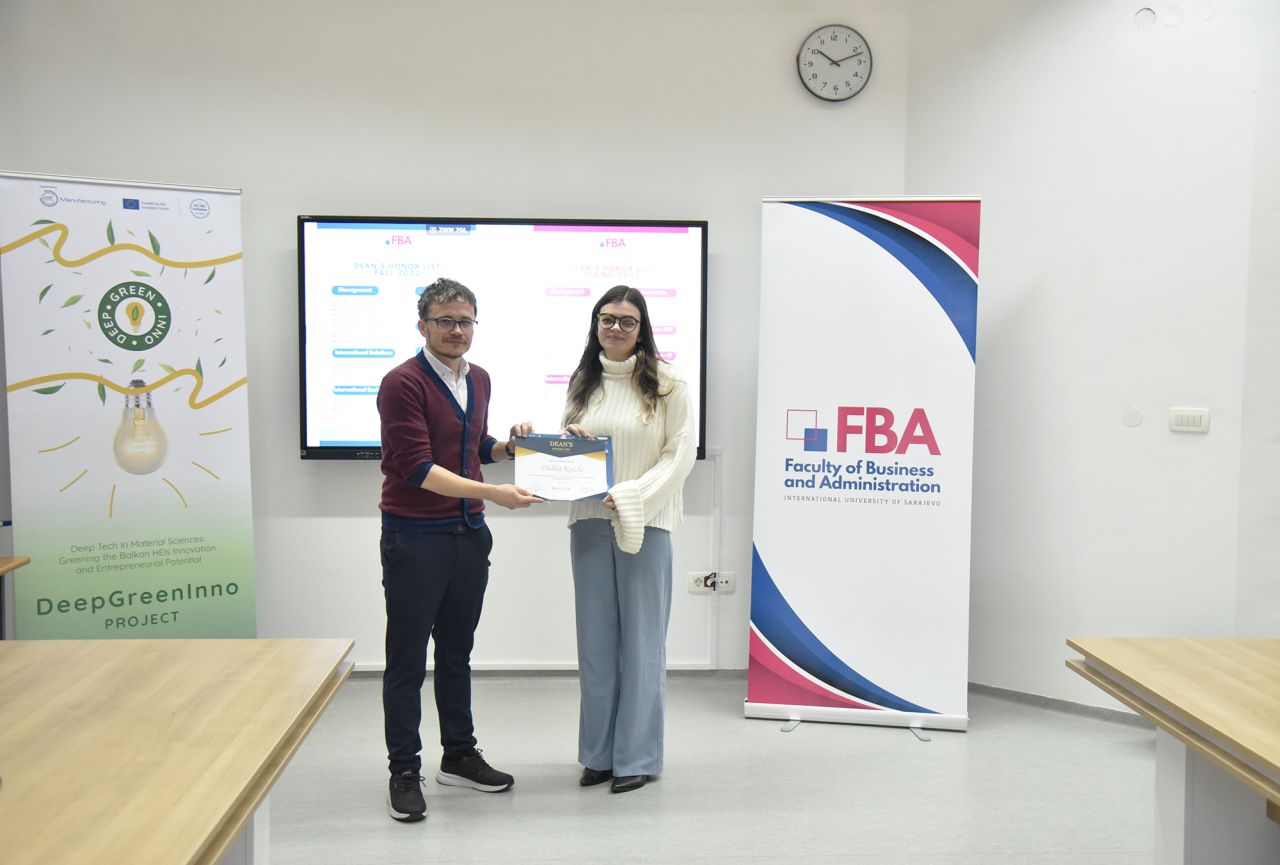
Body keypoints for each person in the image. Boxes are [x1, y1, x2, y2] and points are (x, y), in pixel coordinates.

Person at [377, 277, 541, 823]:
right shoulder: (401, 383)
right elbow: (418, 468)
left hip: (469, 535)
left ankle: (459, 755)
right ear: (422, 325)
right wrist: (494, 493)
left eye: (465, 320)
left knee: (456, 654)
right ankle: (404, 770)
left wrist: (511, 447)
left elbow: (475, 449)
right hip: (415, 537)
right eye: (444, 320)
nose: (456, 330)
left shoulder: (479, 378)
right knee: (406, 660)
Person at [561, 284, 696, 794]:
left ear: (642, 329)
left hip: (647, 521)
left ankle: (637, 757)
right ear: (596, 324)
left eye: (627, 321)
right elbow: (573, 446)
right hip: (589, 520)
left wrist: (635, 496)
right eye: (607, 318)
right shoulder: (582, 380)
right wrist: (567, 444)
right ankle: (598, 755)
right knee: (595, 644)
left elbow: (680, 453)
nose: (615, 328)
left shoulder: (668, 383)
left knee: (642, 645)